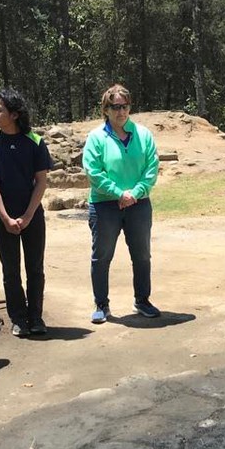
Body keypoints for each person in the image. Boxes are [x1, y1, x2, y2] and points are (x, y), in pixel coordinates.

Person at [0, 89, 53, 336]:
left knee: (35, 268)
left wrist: (29, 215)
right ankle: (18, 318)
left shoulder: (35, 142)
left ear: (14, 114)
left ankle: (36, 317)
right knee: (10, 269)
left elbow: (41, 181)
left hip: (33, 215)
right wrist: (6, 217)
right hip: (3, 218)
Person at [82, 84, 160, 324]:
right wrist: (118, 193)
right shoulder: (96, 137)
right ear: (106, 109)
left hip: (139, 204)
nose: (121, 112)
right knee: (102, 256)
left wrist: (135, 193)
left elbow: (152, 167)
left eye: (125, 106)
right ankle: (101, 305)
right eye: (115, 107)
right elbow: (93, 171)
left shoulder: (143, 134)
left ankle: (142, 300)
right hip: (105, 205)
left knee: (142, 255)